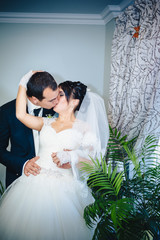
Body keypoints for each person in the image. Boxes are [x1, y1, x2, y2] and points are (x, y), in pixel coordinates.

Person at [0, 79, 109, 240]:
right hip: (33, 185)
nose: (55, 98)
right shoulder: (45, 122)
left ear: (74, 102)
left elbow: (95, 162)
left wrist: (73, 157)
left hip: (65, 190)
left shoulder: (85, 129)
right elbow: (20, 114)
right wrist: (24, 82)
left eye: (60, 95)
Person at [0, 71, 59, 187]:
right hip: (20, 178)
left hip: (52, 180)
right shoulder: (6, 111)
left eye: (57, 96)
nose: (56, 101)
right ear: (35, 99)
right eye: (51, 100)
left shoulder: (58, 108)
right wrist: (23, 164)